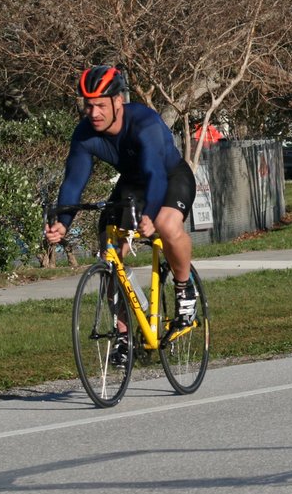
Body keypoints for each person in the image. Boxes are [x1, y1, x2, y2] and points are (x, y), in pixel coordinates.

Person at [45, 65, 198, 346]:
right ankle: (123, 333)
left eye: (100, 105)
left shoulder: (143, 122)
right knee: (110, 251)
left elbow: (154, 174)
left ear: (118, 101)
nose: (94, 113)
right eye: (88, 106)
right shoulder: (84, 134)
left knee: (165, 225)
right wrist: (63, 223)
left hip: (169, 177)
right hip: (132, 185)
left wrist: (149, 215)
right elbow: (74, 181)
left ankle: (184, 289)